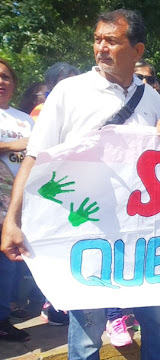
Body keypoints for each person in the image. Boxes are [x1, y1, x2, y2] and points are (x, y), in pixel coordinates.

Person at [1, 9, 160, 359]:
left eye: (112, 41)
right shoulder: (70, 92)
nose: (101, 47)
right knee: (86, 337)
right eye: (98, 39)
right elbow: (36, 157)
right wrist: (12, 220)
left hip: (144, 235)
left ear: (137, 49)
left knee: (158, 322)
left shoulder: (154, 100)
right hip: (87, 232)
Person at [0, 58, 34, 343]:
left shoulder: (25, 119)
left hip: (17, 202)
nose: (1, 82)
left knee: (9, 265)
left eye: (6, 77)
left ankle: (2, 319)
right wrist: (12, 145)